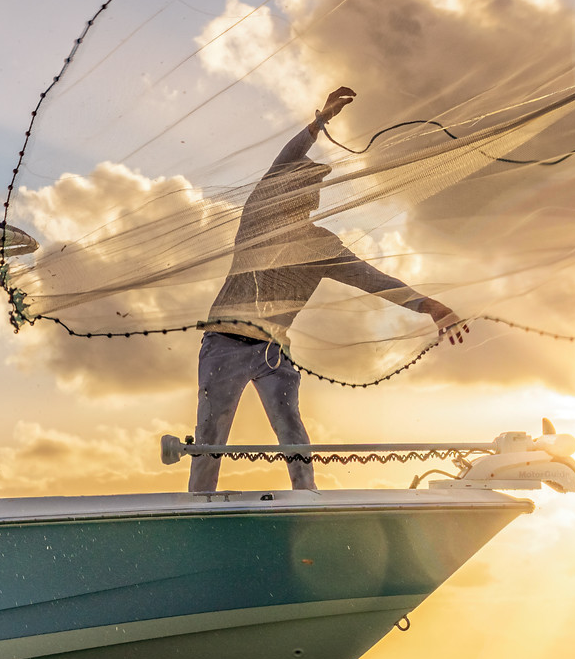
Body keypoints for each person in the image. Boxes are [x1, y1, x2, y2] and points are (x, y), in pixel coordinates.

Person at [191, 85, 465, 494]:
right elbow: (281, 162)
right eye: (302, 184)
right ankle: (200, 502)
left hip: (272, 349)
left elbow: (373, 280)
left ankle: (306, 497)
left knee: (292, 430)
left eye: (313, 187)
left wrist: (428, 305)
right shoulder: (258, 220)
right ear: (283, 190)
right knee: (211, 433)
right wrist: (320, 122)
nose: (310, 192)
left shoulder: (322, 246)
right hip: (224, 344)